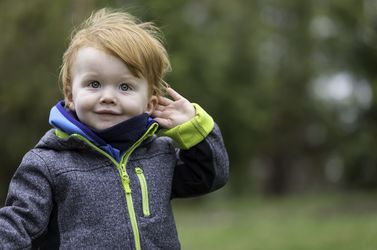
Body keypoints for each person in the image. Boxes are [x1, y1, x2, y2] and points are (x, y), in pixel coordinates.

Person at [0, 8, 229, 249]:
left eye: (125, 87)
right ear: (70, 94)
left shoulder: (159, 155)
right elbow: (15, 227)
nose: (108, 97)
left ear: (150, 103)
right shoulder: (47, 164)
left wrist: (195, 128)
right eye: (94, 84)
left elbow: (210, 176)